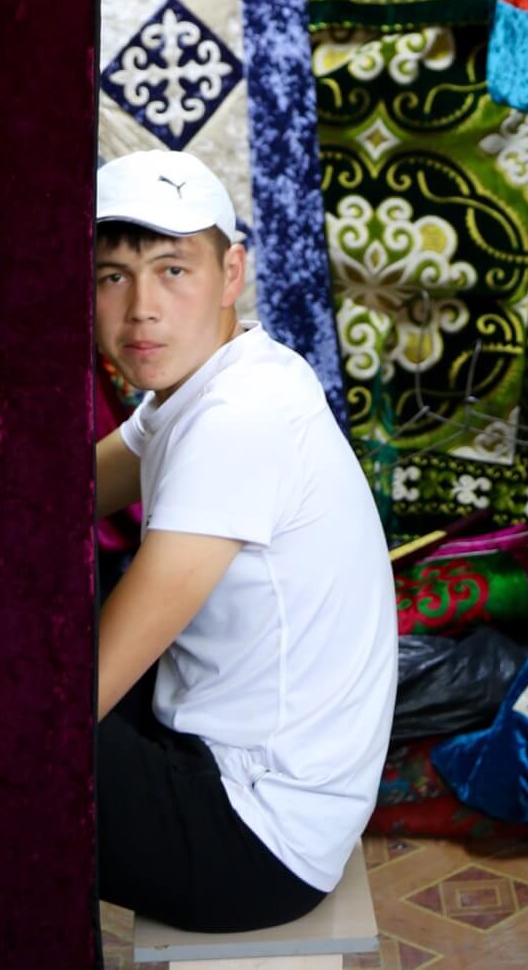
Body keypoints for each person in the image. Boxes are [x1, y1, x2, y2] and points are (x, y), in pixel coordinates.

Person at [93, 148, 398, 934]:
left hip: (256, 837)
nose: (140, 311)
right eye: (111, 277)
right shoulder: (216, 379)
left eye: (172, 270)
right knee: (47, 600)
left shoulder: (240, 417)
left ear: (232, 273)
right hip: (241, 771)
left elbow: (83, 689)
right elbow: (73, 493)